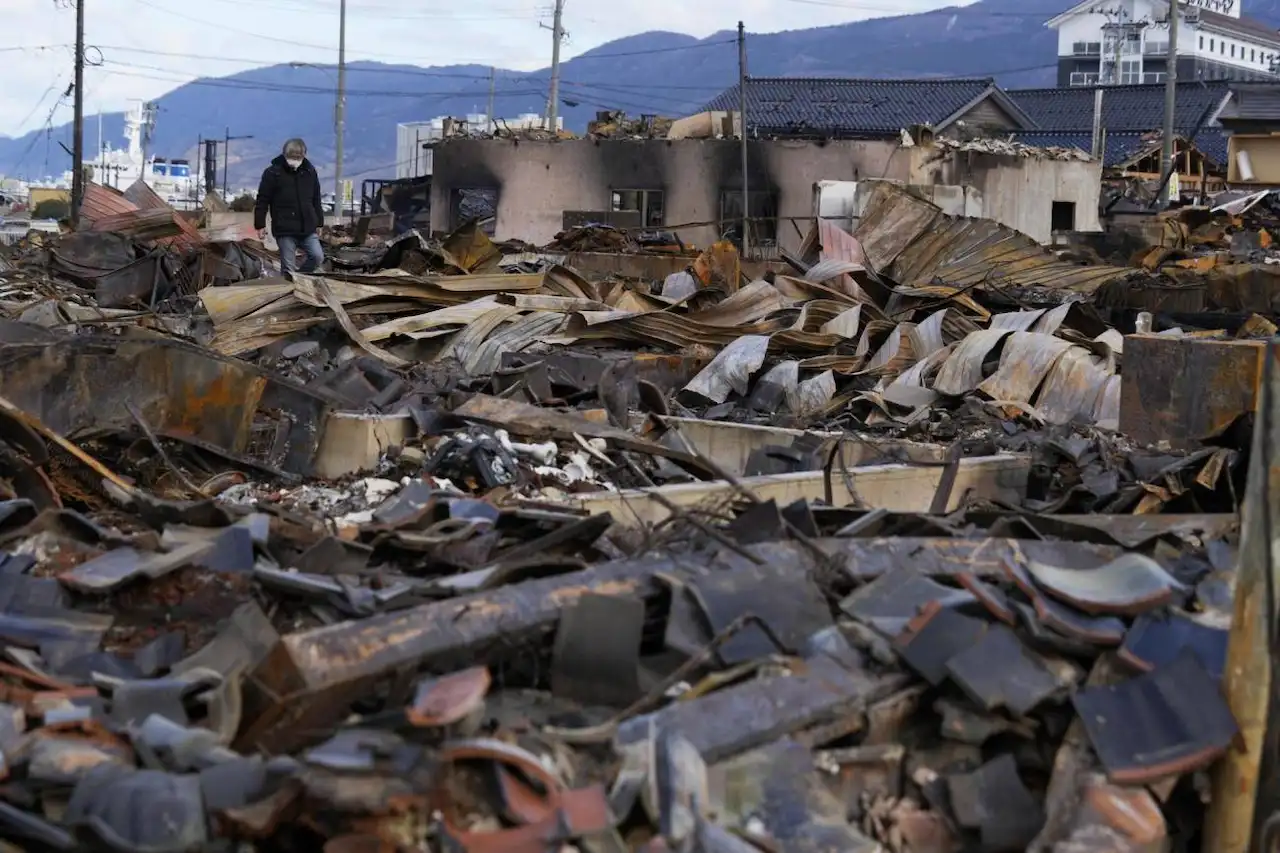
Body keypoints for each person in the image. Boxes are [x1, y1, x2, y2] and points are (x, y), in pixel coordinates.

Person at [253, 138, 326, 276]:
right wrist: (260, 224)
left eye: (298, 157)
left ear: (304, 156)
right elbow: (262, 200)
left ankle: (299, 278)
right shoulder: (273, 173)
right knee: (288, 267)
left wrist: (319, 222)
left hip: (307, 226)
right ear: (285, 155)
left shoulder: (309, 172)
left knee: (317, 257)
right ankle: (290, 287)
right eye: (292, 157)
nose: (295, 160)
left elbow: (316, 198)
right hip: (284, 228)